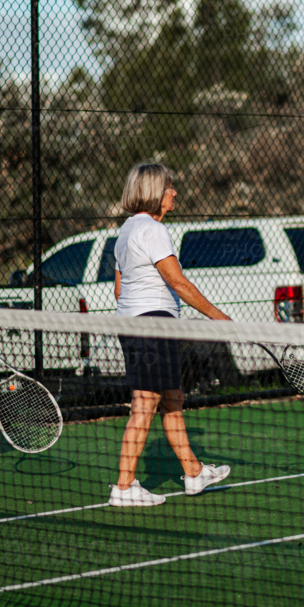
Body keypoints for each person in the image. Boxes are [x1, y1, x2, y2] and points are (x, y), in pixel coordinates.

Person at [109, 163, 232, 507]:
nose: (174, 192)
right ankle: (124, 487)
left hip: (136, 325)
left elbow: (119, 291)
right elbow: (177, 281)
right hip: (152, 327)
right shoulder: (153, 230)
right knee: (145, 405)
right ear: (153, 193)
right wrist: (218, 317)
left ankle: (194, 473)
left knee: (172, 398)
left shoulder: (125, 232)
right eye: (169, 187)